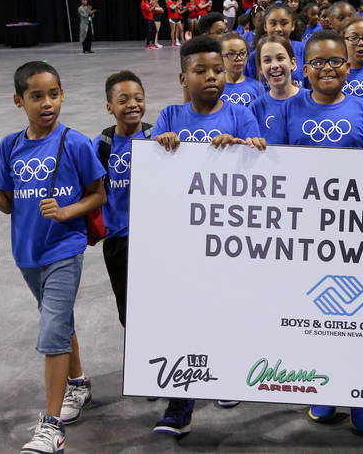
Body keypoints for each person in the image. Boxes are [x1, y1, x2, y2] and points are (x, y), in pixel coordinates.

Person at [0, 61, 106, 454]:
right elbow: (6, 202)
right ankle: (79, 384)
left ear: (63, 94)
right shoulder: (11, 145)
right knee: (58, 319)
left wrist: (67, 212)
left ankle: (51, 427)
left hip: (64, 249)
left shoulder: (75, 143)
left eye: (53, 94)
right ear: (19, 101)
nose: (47, 103)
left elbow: (98, 195)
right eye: (36, 96)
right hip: (27, 252)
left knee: (52, 329)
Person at [265, 30, 363, 434]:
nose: (328, 69)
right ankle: (323, 390)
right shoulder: (287, 113)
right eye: (318, 62)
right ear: (305, 70)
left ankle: (360, 394)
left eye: (336, 61)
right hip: (305, 240)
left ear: (348, 66)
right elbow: (272, 172)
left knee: (359, 321)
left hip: (358, 240)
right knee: (315, 320)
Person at [151, 36, 266, 435]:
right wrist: (161, 146)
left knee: (228, 312)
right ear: (184, 77)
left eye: (217, 70)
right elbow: (155, 175)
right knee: (184, 319)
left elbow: (259, 165)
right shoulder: (168, 116)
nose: (212, 77)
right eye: (201, 71)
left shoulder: (239, 115)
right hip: (182, 241)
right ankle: (180, 405)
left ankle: (227, 376)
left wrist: (242, 148)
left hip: (229, 240)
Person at [95, 71, 151, 329]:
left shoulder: (159, 137)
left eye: (138, 98)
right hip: (118, 240)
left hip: (155, 237)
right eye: (123, 100)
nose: (132, 104)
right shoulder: (100, 146)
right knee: (128, 309)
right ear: (109, 107)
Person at [249, 35, 300, 138]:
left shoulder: (311, 100)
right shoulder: (255, 108)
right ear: (260, 68)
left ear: (293, 63)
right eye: (267, 60)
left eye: (280, 58)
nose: (275, 65)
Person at [245, 4, 307, 87]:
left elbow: (311, 89)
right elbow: (250, 88)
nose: (278, 29)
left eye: (284, 23)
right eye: (273, 24)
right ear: (265, 26)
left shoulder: (304, 49)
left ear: (292, 26)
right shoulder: (255, 56)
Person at [218, 33, 265, 107]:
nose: (239, 58)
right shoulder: (216, 87)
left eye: (242, 53)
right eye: (231, 54)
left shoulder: (257, 87)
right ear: (220, 58)